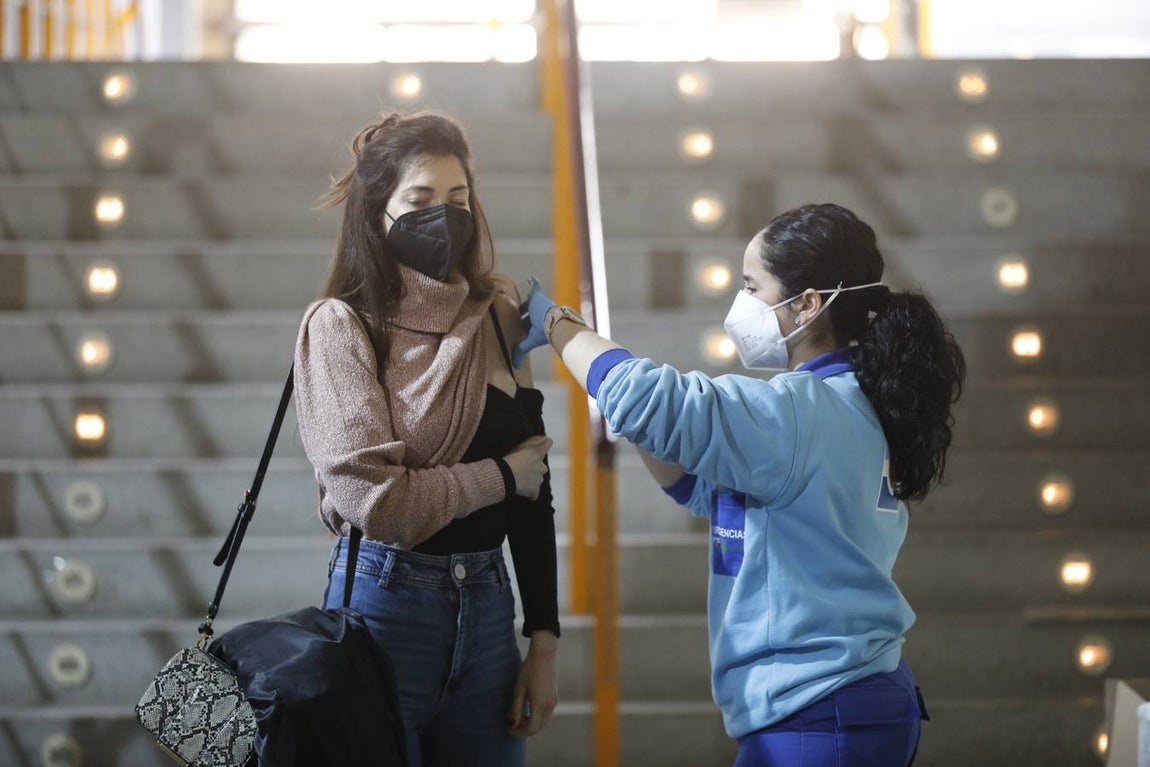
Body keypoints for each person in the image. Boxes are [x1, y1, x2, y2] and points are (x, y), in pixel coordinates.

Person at [515, 203, 965, 766]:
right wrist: (633, 411)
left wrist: (556, 322)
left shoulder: (797, 412)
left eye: (752, 286)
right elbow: (702, 489)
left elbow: (646, 399)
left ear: (807, 303)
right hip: (843, 702)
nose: (740, 302)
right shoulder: (852, 401)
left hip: (820, 714)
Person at [293, 110, 560, 767]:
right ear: (376, 209)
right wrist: (500, 476)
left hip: (490, 609)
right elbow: (381, 506)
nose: (443, 216)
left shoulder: (496, 315)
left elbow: (535, 493)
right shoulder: (342, 326)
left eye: (458, 199)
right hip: (386, 605)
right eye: (419, 200)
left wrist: (544, 641)